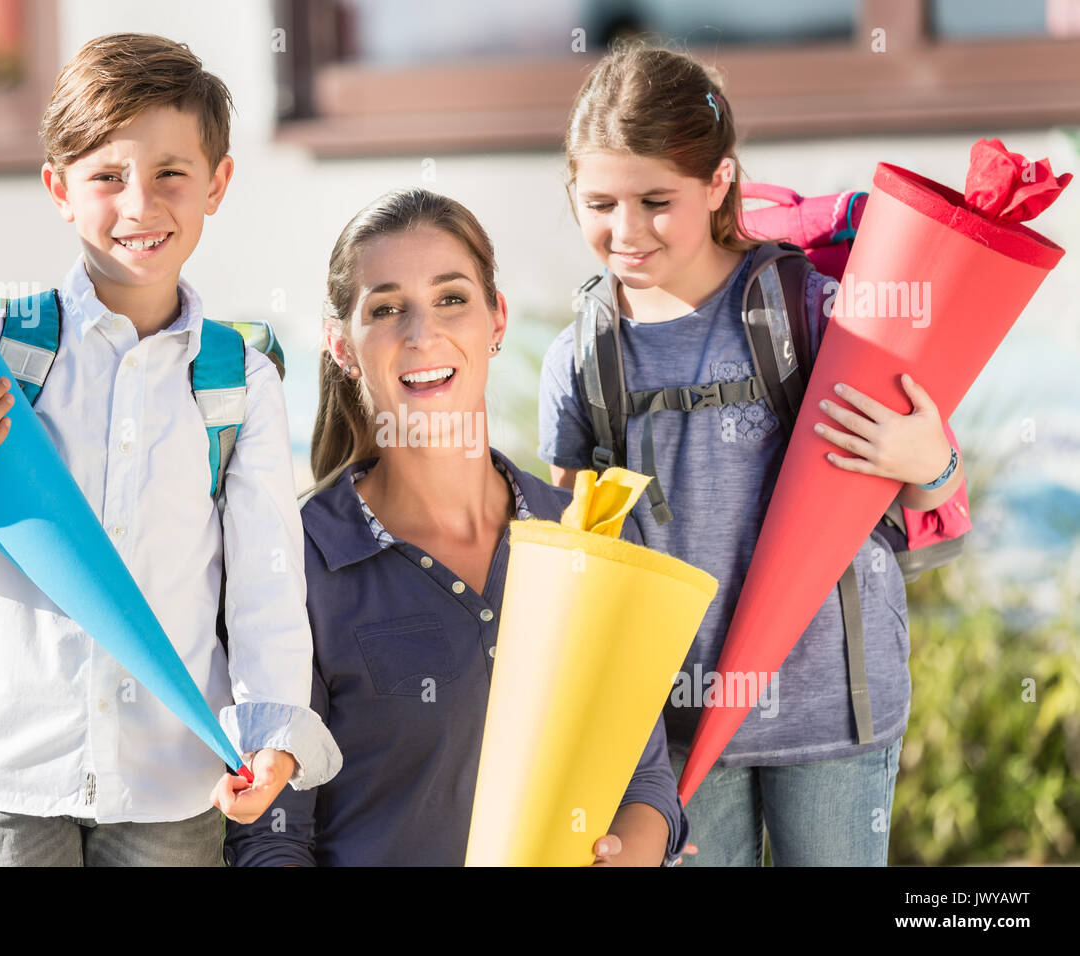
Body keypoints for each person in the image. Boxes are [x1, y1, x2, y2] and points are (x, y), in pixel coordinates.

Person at [0, 33, 339, 866]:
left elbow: (265, 585)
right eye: (106, 176)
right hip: (6, 769)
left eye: (171, 173)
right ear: (59, 191)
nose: (139, 205)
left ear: (218, 184)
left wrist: (273, 731)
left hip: (169, 777)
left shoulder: (238, 378)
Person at [538, 40, 965, 866]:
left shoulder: (810, 307)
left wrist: (929, 461)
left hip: (837, 710)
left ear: (719, 182)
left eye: (656, 199)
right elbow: (577, 555)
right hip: (674, 728)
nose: (625, 232)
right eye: (599, 203)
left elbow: (928, 481)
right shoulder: (583, 357)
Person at [225, 187, 689, 866]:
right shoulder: (296, 565)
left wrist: (634, 849)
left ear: (496, 319)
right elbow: (272, 839)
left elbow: (643, 776)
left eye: (451, 298)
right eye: (386, 309)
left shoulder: (581, 535)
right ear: (341, 345)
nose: (422, 334)